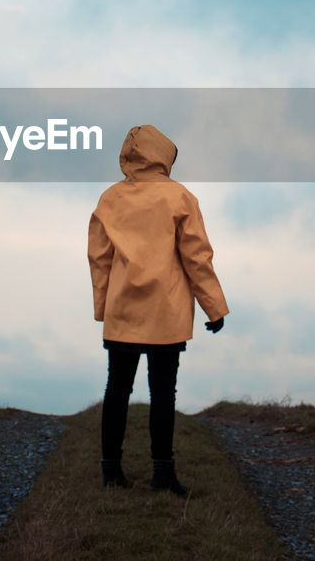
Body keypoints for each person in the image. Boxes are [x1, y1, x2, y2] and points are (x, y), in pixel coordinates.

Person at [87, 124, 229, 495]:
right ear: (164, 155)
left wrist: (104, 307)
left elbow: (99, 260)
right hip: (166, 311)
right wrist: (213, 307)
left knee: (116, 389)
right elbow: (197, 257)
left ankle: (111, 472)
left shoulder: (109, 199)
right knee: (163, 392)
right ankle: (163, 474)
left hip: (122, 312)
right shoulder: (180, 198)